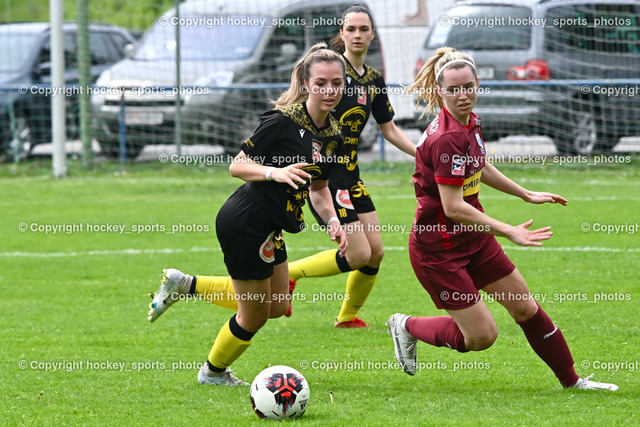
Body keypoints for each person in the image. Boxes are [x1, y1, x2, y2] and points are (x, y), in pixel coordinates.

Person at [386, 47, 618, 391]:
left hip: (474, 237)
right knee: (481, 337)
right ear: (440, 92)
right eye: (454, 90)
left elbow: (479, 163)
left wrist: (524, 193)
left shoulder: (469, 121)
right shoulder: (446, 137)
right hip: (440, 249)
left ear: (478, 83)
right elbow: (453, 207)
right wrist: (509, 230)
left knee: (525, 307)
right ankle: (406, 326)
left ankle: (574, 383)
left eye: (468, 87)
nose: (463, 95)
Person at [147, 43, 348, 386]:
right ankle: (213, 372)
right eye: (321, 83)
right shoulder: (283, 121)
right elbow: (237, 165)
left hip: (272, 225)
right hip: (246, 220)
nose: (329, 91)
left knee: (275, 304)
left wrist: (333, 222)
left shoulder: (332, 136)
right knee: (254, 314)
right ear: (305, 85)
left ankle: (186, 285)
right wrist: (276, 172)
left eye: (337, 83)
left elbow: (318, 190)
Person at [286, 5, 417, 327]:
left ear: (372, 34)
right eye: (351, 29)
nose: (357, 35)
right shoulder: (328, 72)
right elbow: (294, 113)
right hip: (326, 181)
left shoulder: (373, 79)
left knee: (377, 253)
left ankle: (347, 318)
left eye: (364, 29)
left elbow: (389, 129)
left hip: (352, 177)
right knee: (358, 255)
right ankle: (288, 275)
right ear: (341, 33)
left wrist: (422, 154)